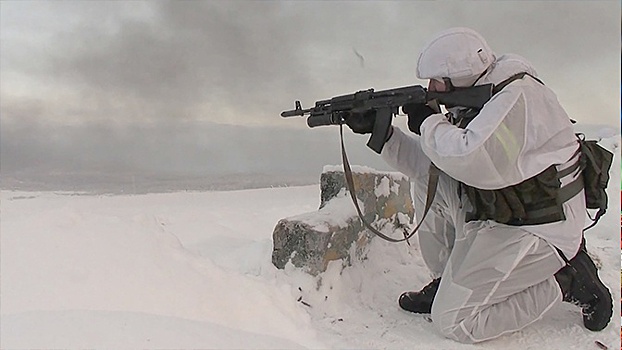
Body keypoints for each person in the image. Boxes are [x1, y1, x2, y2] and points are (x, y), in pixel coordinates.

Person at [345, 27, 612, 343]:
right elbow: (435, 165)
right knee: (427, 182)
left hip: (541, 227)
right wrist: (383, 134)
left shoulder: (518, 98)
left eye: (437, 81)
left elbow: (470, 158)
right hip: (507, 212)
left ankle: (565, 280)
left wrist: (427, 121)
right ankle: (448, 281)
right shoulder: (478, 97)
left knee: (454, 322)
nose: (430, 88)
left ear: (459, 76)